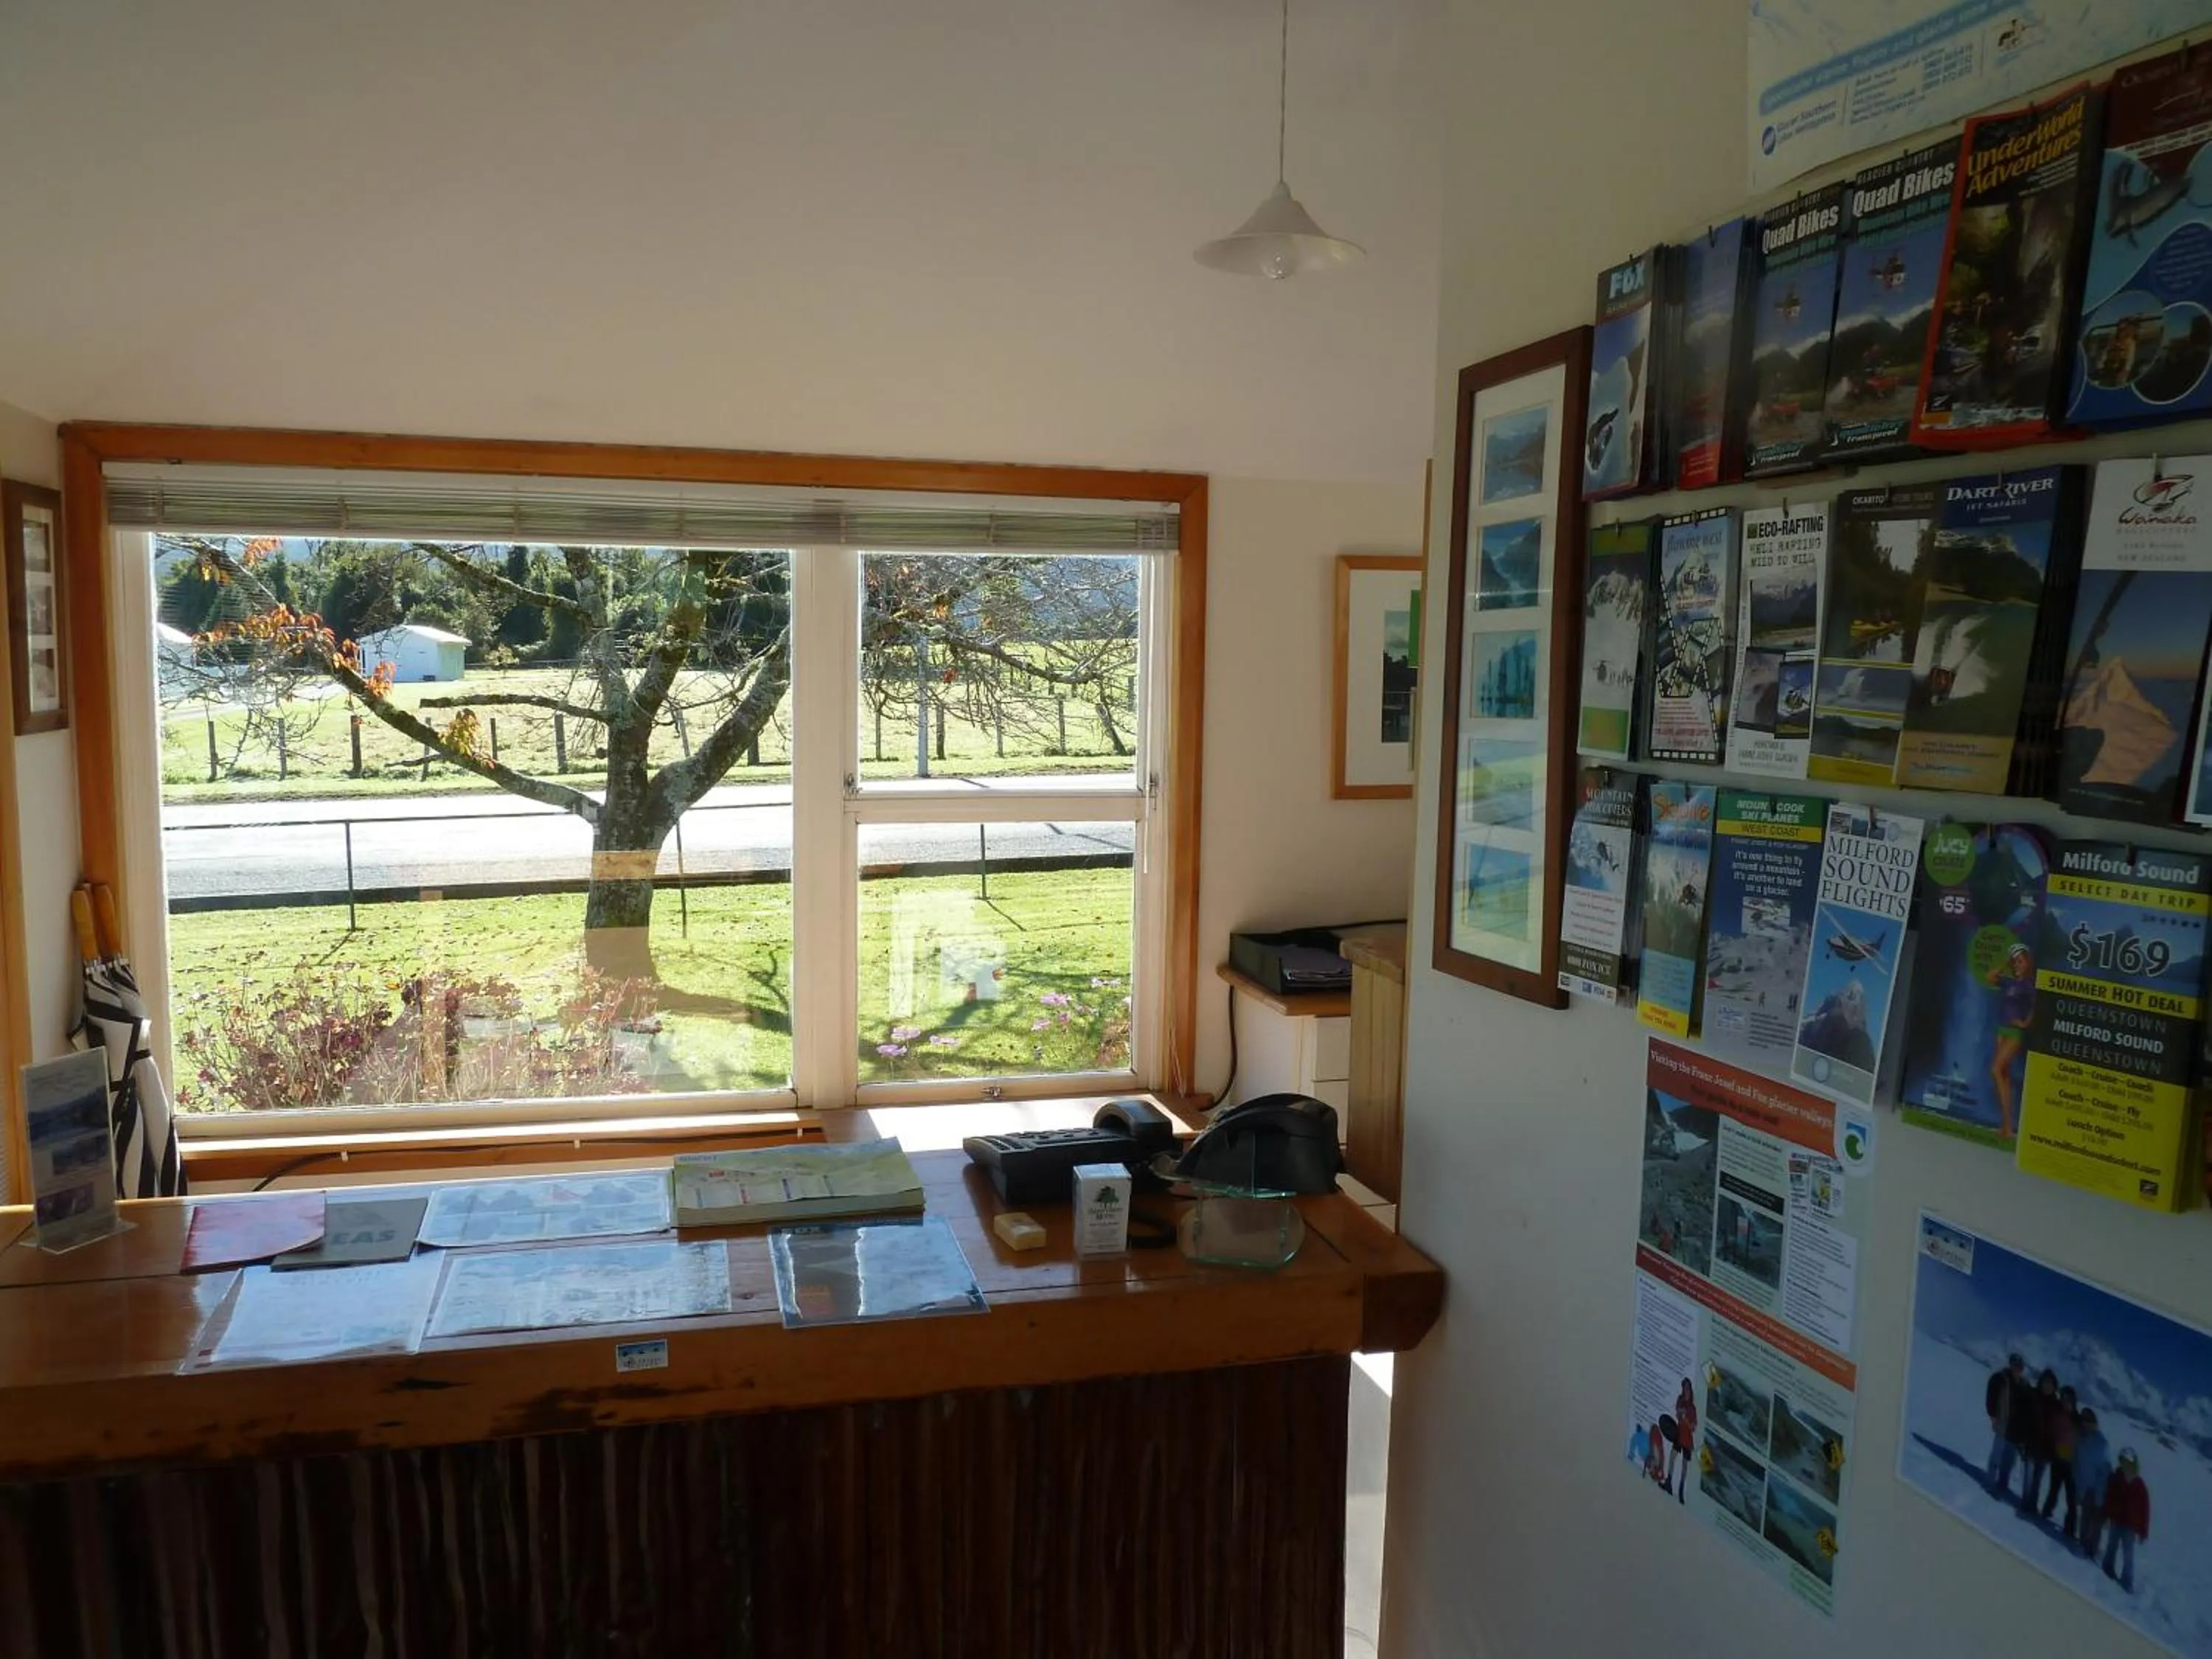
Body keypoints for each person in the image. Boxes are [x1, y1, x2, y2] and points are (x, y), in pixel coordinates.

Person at [1989, 943, 2035, 1138]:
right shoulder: (2009, 982)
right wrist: (2006, 963)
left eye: (2020, 961)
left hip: (2014, 1032)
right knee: (2004, 1076)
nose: (2017, 965)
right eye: (2015, 961)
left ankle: (2007, 1125)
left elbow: (2036, 1005)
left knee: (1996, 1069)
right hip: (2001, 1029)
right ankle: (2006, 1125)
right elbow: (1990, 977)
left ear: (2028, 963)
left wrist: (2025, 1024)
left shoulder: (2029, 985)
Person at [2102, 1449, 2151, 1591]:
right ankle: (2107, 1567)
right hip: (2117, 1519)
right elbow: (2110, 1497)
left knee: (2128, 1553)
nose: (2125, 1465)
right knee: (2112, 1546)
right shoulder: (2117, 1477)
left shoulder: (2139, 1485)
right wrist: (2106, 1515)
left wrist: (2143, 1532)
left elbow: (2145, 1510)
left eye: (2128, 1462)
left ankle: (2127, 1580)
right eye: (2123, 1461)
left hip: (2130, 1525)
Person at [1985, 1353, 2031, 1499]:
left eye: (2020, 1366)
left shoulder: (2024, 1384)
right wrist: (1993, 1415)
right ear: (2010, 1364)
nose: (2017, 1368)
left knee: (2010, 1459)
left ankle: (2003, 1483)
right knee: (1997, 1455)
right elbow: (1991, 1397)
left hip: (2016, 1429)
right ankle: (1991, 1482)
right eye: (2015, 1365)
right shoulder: (2000, 1378)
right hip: (2003, 1423)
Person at [2018, 1368, 2061, 1516]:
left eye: (2050, 1384)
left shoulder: (2056, 1405)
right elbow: (2025, 1417)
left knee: (2037, 1481)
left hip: (2045, 1450)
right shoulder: (2034, 1396)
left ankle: (2033, 1505)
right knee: (2028, 1478)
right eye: (2045, 1383)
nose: (2047, 1386)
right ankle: (2025, 1503)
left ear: (2054, 1386)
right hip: (2030, 1444)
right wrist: (2022, 1439)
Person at [2042, 1384, 2081, 1537]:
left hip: (2071, 1464)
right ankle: (2046, 1512)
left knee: (2071, 1498)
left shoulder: (2078, 1420)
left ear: (2073, 1401)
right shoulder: (2058, 1415)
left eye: (2069, 1399)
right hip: (2058, 1460)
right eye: (2064, 1399)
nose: (2066, 1402)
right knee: (2053, 1490)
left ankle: (2070, 1528)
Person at [2074, 1408, 2112, 1560]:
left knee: (2095, 1522)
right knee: (2084, 1518)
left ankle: (2092, 1551)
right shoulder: (2081, 1440)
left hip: (2097, 1490)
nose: (2087, 1425)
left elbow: (2105, 1470)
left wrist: (2100, 1495)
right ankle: (2083, 1545)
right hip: (2084, 1487)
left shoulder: (2101, 1444)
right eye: (2085, 1422)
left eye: (2090, 1422)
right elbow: (2077, 1464)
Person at [1672, 1379, 1698, 1506]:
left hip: (1687, 1439)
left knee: (1684, 1465)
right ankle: (1669, 1480)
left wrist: (1686, 1419)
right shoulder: (1680, 1400)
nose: (1686, 1390)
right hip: (1679, 1434)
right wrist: (1681, 1415)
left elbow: (1693, 1427)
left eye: (1688, 1387)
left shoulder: (1692, 1408)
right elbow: (1677, 1413)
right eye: (1684, 1387)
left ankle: (1681, 1489)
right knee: (1673, 1456)